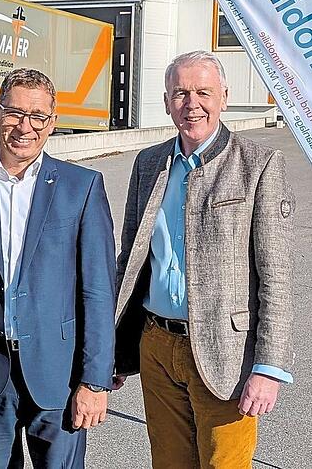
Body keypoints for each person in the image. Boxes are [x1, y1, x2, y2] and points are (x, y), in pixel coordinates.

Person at [113, 50, 295, 468]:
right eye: (180, 93)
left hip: (225, 352)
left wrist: (268, 368)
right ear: (165, 101)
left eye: (202, 92)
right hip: (156, 346)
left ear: (224, 97)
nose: (191, 103)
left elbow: (277, 277)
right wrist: (115, 348)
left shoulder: (259, 164)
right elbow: (132, 262)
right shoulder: (149, 163)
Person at [0, 68, 116, 468]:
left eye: (37, 116)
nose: (25, 126)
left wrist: (95, 379)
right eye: (15, 113)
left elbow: (99, 290)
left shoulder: (81, 186)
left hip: (59, 373)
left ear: (52, 123)